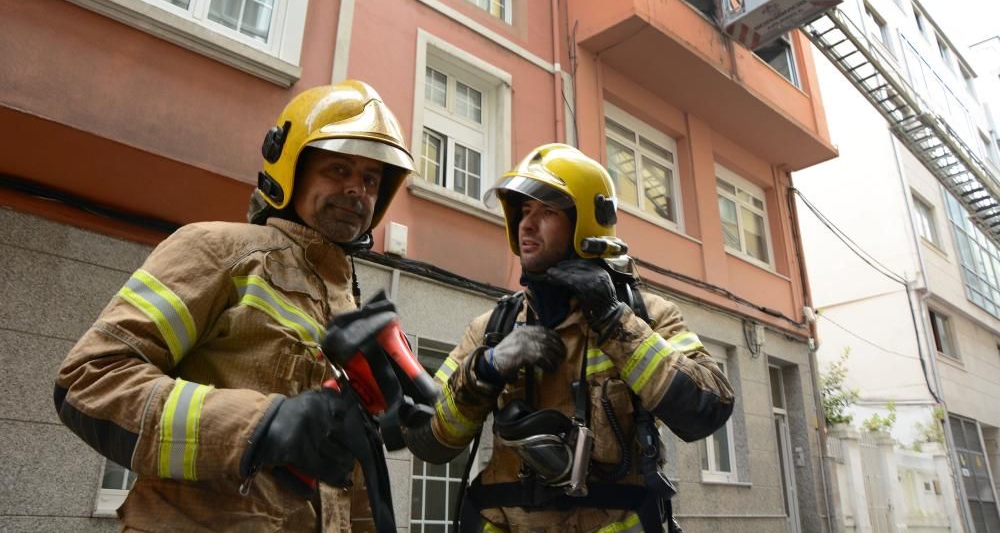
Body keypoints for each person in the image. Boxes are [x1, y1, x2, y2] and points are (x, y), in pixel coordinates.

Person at [54, 80, 415, 531]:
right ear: (291, 169)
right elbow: (88, 382)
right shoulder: (219, 250)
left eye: (370, 179)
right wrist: (261, 425)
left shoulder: (348, 301)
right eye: (338, 170)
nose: (357, 191)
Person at [405, 143, 735, 532]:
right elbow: (430, 442)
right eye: (523, 211)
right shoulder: (492, 328)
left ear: (585, 225)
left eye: (546, 211)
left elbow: (707, 408)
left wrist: (614, 323)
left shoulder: (647, 315)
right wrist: (487, 368)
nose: (527, 224)